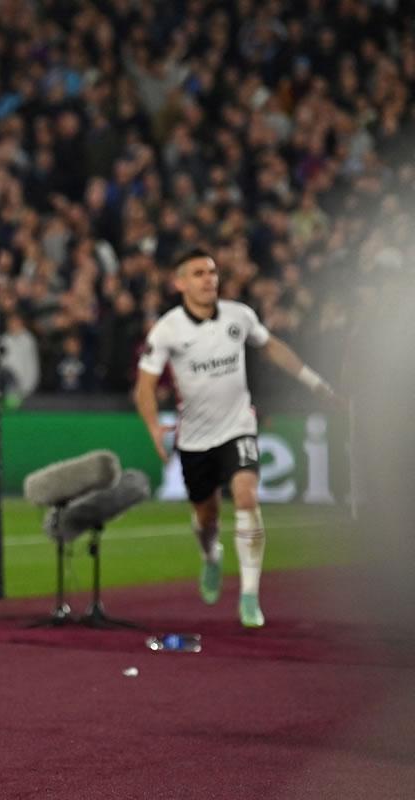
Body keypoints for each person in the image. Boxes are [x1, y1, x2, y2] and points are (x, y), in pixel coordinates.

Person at [134, 248, 337, 628]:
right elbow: (144, 386)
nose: (208, 279)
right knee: (206, 517)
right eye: (197, 273)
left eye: (211, 272)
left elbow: (271, 345)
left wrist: (313, 381)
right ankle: (211, 557)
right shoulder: (167, 329)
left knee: (246, 495)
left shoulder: (239, 316)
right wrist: (153, 428)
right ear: (180, 284)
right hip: (195, 438)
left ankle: (249, 595)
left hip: (238, 426)